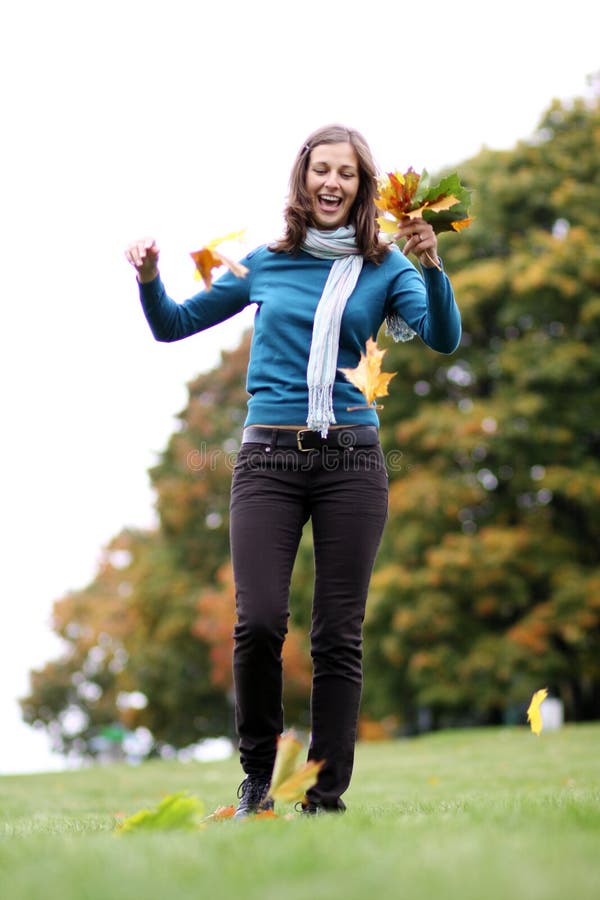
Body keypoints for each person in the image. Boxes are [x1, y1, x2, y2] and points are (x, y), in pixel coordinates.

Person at [125, 124, 461, 817]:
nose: (331, 183)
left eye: (346, 173)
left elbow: (441, 336)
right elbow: (172, 324)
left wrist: (431, 266)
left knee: (338, 634)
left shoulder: (387, 267)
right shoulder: (268, 263)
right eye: (321, 170)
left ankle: (323, 794)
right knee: (258, 623)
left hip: (352, 461)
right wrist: (151, 278)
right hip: (267, 460)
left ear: (362, 188)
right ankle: (256, 780)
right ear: (303, 180)